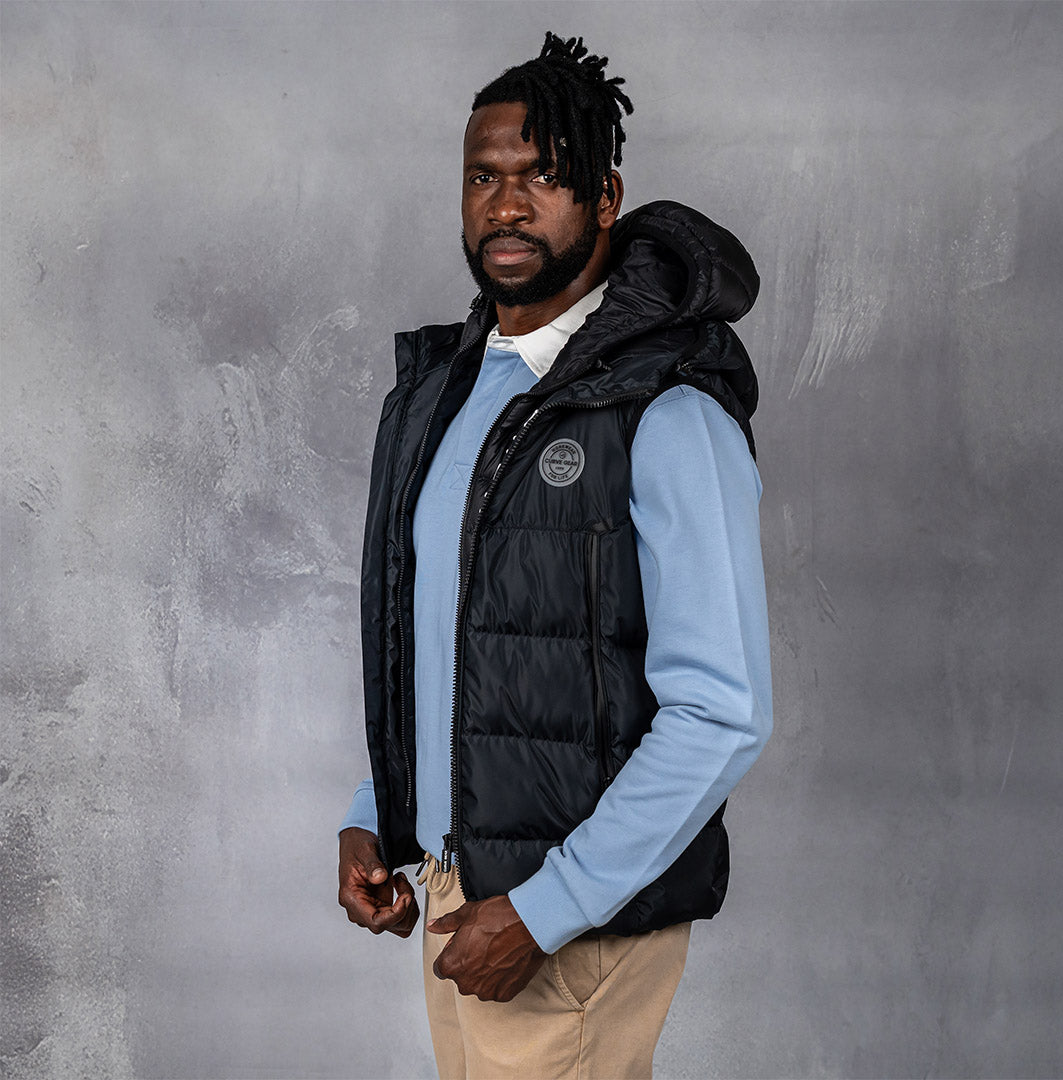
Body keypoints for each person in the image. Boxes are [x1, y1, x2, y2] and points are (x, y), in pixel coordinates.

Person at [337, 32, 772, 1079]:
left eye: (543, 175)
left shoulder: (668, 410)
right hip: (460, 892)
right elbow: (441, 640)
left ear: (606, 196)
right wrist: (377, 813)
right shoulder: (442, 393)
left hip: (569, 924)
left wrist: (548, 907)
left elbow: (722, 712)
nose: (507, 204)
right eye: (484, 176)